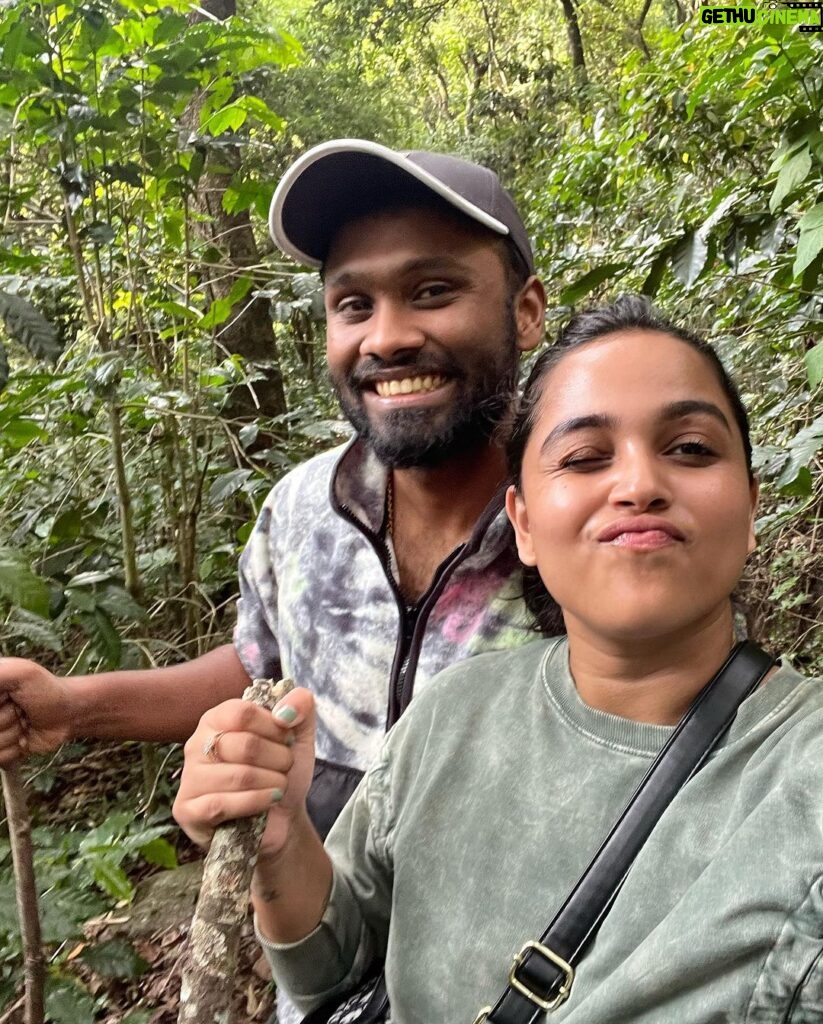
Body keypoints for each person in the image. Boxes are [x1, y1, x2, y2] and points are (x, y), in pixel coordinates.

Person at [173, 295, 823, 1022]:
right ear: (523, 526)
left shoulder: (801, 777)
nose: (639, 485)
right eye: (583, 458)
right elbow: (334, 968)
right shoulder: (453, 713)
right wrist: (281, 844)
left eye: (690, 449)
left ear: (750, 507)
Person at [0, 139, 544, 833]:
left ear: (525, 311)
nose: (385, 338)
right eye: (352, 304)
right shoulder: (303, 507)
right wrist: (72, 707)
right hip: (317, 917)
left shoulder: (587, 521)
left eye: (431, 291)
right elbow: (264, 665)